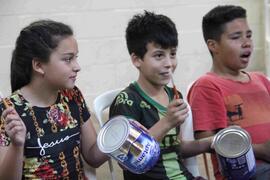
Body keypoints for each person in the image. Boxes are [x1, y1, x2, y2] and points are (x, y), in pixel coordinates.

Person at [109, 11, 213, 180]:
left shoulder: (173, 94)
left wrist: (211, 142)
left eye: (172, 53)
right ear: (137, 60)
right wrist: (167, 122)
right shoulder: (127, 101)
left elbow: (176, 148)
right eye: (159, 55)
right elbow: (127, 160)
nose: (169, 63)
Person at [0, 20, 108, 179]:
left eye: (75, 58)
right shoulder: (9, 112)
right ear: (38, 65)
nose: (77, 66)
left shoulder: (73, 96)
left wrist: (116, 138)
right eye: (68, 59)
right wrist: (17, 145)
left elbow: (93, 157)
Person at [187, 5, 270, 180]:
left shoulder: (261, 80)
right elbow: (209, 142)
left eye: (249, 35)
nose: (247, 43)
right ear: (213, 45)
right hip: (246, 172)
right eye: (236, 37)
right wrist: (261, 150)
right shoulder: (207, 85)